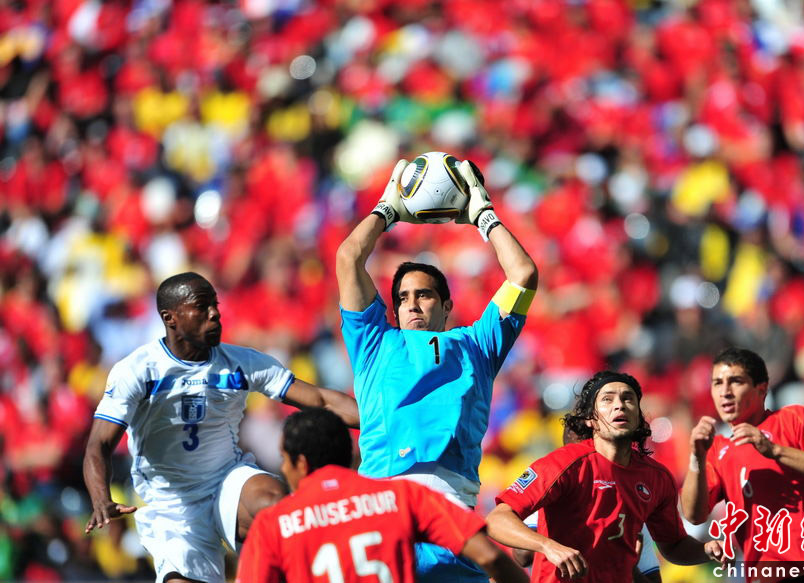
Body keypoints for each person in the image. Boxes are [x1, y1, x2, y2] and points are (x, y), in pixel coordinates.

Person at [83, 272, 359, 583]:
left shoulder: (241, 362)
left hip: (227, 480)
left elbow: (321, 400)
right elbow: (98, 445)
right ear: (170, 318)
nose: (214, 313)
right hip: (171, 505)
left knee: (272, 504)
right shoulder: (138, 370)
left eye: (215, 304)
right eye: (201, 306)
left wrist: (384, 420)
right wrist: (101, 498)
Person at [336, 158, 538, 582]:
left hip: (453, 513)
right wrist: (387, 210)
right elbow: (349, 257)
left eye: (424, 295)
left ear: (447, 306)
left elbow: (522, 274)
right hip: (383, 506)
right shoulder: (374, 342)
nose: (412, 304)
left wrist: (483, 216)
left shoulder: (477, 344)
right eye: (403, 297)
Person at [236, 408, 530, 583]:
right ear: (348, 452)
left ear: (300, 463)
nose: (283, 469)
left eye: (284, 459)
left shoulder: (273, 524)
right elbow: (490, 556)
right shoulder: (403, 497)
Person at [485, 371, 726, 583]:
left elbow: (673, 545)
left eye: (628, 399)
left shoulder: (657, 478)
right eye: (607, 399)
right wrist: (547, 546)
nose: (619, 405)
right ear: (591, 419)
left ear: (639, 416)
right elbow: (497, 519)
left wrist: (706, 550)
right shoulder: (563, 465)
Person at [680, 347, 804, 582]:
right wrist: (696, 458)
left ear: (761, 389)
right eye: (717, 383)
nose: (725, 392)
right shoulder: (716, 450)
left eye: (736, 381)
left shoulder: (795, 418)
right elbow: (693, 515)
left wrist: (774, 450)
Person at [512, 427, 663, 583]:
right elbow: (522, 555)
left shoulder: (631, 511)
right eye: (575, 454)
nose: (582, 461)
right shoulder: (551, 499)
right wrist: (550, 545)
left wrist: (630, 568)